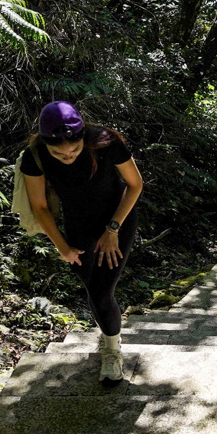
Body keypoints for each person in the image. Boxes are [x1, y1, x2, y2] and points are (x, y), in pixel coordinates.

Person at [20, 101, 143, 383]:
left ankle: (112, 350)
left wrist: (112, 230)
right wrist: (62, 246)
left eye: (74, 150)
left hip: (116, 219)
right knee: (91, 285)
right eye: (59, 153)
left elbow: (135, 184)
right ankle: (108, 335)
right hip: (76, 226)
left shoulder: (104, 141)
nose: (68, 157)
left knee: (102, 291)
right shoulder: (35, 155)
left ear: (83, 137)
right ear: (45, 144)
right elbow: (40, 207)